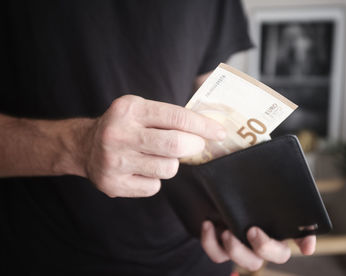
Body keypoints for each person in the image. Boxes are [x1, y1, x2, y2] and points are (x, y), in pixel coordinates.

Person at [0, 1, 315, 275]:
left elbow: (209, 99)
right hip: (41, 256)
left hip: (194, 254)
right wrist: (76, 146)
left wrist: (242, 204)